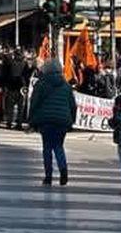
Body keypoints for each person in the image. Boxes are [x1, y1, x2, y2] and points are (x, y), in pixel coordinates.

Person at [28, 58, 76, 186]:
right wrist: (71, 121)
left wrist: (31, 120)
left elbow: (34, 103)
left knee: (47, 148)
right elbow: (73, 105)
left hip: (46, 120)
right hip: (62, 121)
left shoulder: (41, 84)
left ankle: (48, 176)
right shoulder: (66, 86)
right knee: (59, 146)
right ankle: (63, 172)